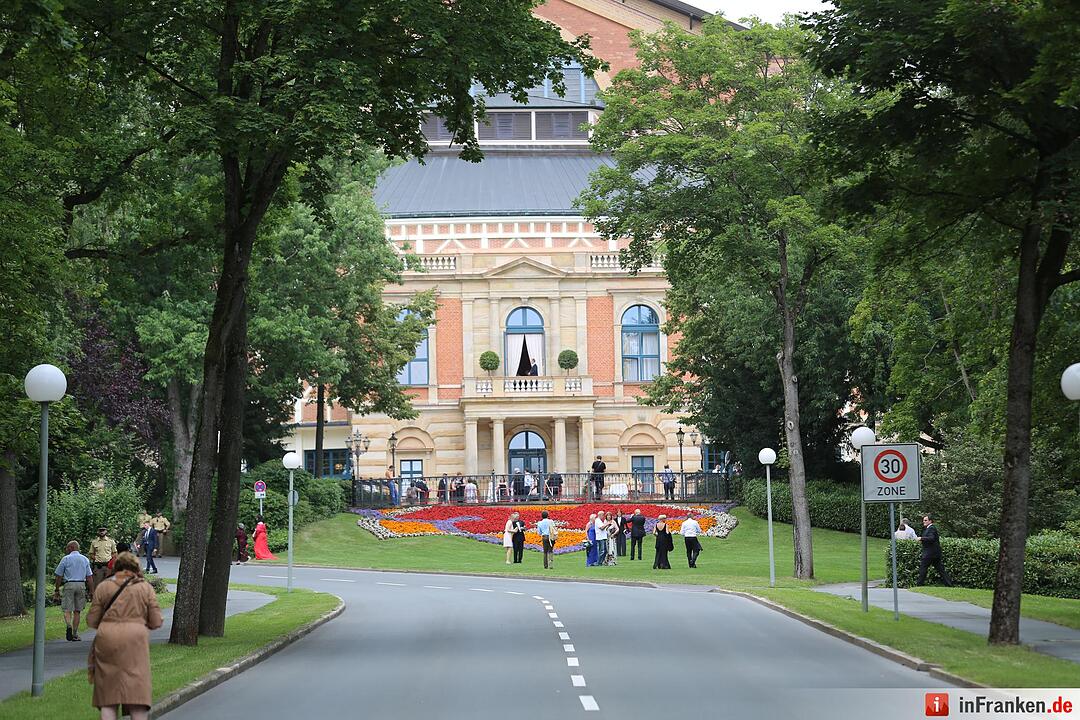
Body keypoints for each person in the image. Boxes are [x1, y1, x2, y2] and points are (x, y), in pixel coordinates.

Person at [87, 552, 163, 720]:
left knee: (108, 698)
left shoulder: (104, 587)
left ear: (116, 567)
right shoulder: (144, 588)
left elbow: (92, 620)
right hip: (135, 639)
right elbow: (156, 621)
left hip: (107, 637)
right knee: (137, 697)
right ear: (136, 568)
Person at [53, 541, 93, 641]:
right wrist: (91, 590)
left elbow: (58, 575)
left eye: (67, 548)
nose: (66, 550)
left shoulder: (66, 559)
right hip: (81, 584)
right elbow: (89, 577)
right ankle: (75, 633)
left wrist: (57, 589)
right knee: (77, 611)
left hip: (69, 584)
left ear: (71, 547)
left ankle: (68, 625)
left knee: (67, 608)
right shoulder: (85, 559)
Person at [916, 515, 953, 586]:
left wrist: (921, 538)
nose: (924, 521)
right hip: (934, 553)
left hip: (930, 553)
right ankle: (949, 584)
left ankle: (919, 584)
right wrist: (923, 540)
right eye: (923, 520)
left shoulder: (931, 528)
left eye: (925, 520)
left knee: (923, 568)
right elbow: (930, 539)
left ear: (930, 521)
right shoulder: (928, 528)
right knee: (941, 570)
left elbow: (931, 538)